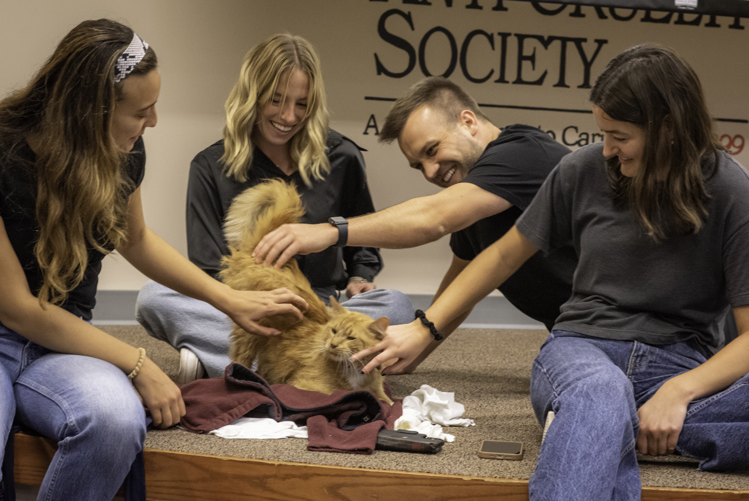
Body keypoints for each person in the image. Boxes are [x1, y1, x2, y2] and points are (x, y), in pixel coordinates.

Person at [354, 43, 749, 499]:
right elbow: (502, 257)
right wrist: (426, 328)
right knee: (600, 391)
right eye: (603, 133)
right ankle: (621, 423)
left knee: (601, 412)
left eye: (619, 135)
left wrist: (678, 392)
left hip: (679, 365)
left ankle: (611, 427)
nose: (607, 150)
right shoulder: (580, 171)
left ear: (667, 128)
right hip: (583, 352)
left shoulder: (730, 189)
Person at [0, 19, 311, 499]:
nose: (154, 122)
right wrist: (138, 364)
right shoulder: (2, 148)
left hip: (62, 343)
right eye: (141, 111)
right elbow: (16, 308)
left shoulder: (122, 152)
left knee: (116, 421)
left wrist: (229, 301)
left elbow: (137, 239)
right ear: (88, 110)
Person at [135, 33, 413, 381]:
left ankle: (226, 363)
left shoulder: (342, 156)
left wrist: (360, 277)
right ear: (252, 96)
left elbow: (362, 240)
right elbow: (208, 266)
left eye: (302, 103)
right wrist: (252, 303)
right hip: (242, 308)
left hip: (322, 311)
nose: (288, 115)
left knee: (398, 305)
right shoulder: (209, 166)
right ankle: (316, 369)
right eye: (276, 100)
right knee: (152, 298)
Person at [253, 76, 577, 372]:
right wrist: (415, 351)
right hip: (574, 330)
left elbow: (433, 218)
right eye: (418, 165)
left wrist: (328, 232)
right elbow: (461, 280)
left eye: (432, 150)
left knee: (554, 377)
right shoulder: (474, 194)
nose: (431, 171)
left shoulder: (523, 152)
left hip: (616, 326)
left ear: (468, 121)